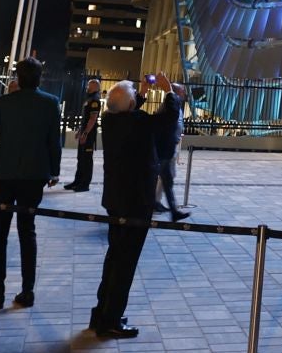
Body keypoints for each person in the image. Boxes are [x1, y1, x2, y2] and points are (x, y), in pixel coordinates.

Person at [90, 74, 182, 338]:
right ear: (132, 105)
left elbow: (126, 110)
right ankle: (112, 321)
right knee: (125, 263)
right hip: (136, 201)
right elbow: (166, 120)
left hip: (115, 199)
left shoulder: (110, 120)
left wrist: (139, 94)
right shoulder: (138, 123)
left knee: (113, 257)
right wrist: (169, 93)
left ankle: (101, 313)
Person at [0, 58, 63, 311]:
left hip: (3, 174)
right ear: (40, 78)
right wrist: (54, 171)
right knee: (27, 231)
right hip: (34, 175)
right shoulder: (50, 103)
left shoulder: (4, 103)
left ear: (18, 77)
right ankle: (27, 290)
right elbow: (54, 141)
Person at [153, 82, 189, 221]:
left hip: (169, 148)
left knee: (167, 180)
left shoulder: (176, 106)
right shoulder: (169, 107)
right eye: (182, 91)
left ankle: (172, 211)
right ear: (175, 92)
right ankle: (153, 204)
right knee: (160, 178)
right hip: (164, 149)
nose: (184, 93)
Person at [64, 76, 103, 192]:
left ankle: (84, 184)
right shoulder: (89, 99)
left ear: (95, 86)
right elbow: (85, 118)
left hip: (89, 134)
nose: (87, 86)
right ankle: (77, 181)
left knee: (86, 159)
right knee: (80, 158)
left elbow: (93, 119)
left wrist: (85, 133)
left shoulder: (95, 100)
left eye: (89, 85)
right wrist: (80, 131)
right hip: (84, 132)